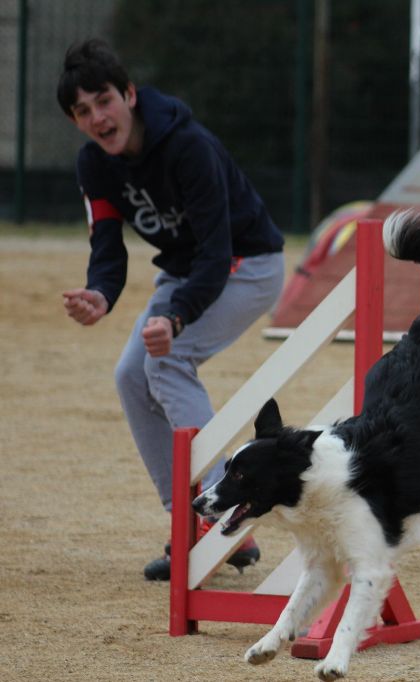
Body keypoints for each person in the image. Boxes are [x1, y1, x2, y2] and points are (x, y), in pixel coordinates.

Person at [57, 39, 286, 580]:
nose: (97, 118)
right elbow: (107, 251)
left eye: (104, 101)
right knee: (131, 376)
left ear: (129, 95)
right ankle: (188, 521)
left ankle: (225, 508)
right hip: (188, 274)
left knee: (167, 361)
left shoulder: (188, 146)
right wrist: (100, 294)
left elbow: (215, 252)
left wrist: (175, 318)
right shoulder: (94, 165)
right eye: (82, 112)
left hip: (246, 265)